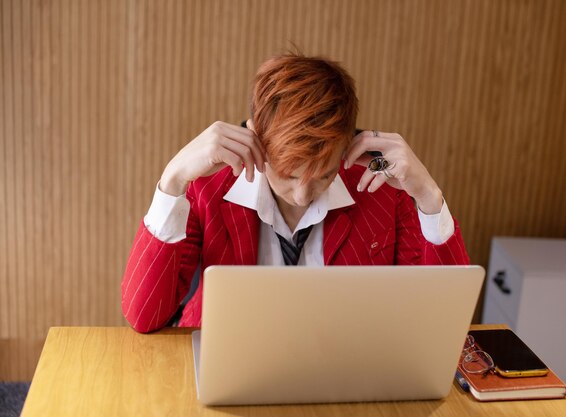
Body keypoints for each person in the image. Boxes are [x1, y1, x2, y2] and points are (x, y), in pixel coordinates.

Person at [121, 53, 470, 333]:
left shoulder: (379, 187)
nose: (303, 195)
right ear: (256, 135)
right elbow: (143, 315)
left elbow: (446, 324)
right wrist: (173, 181)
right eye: (288, 174)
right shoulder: (209, 187)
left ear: (347, 145)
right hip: (223, 364)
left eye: (324, 175)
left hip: (344, 375)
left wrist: (428, 196)